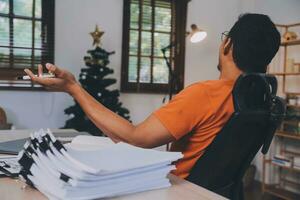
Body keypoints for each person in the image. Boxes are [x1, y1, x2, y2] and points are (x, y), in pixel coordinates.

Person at [24, 13, 281, 179]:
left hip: (179, 191)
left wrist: (74, 88)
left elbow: (136, 139)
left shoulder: (206, 94)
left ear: (228, 45)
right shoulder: (264, 100)